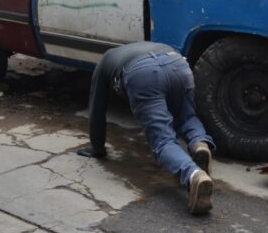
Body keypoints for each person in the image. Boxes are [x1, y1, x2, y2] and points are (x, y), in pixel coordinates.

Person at [78, 42, 216, 214]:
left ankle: (194, 175)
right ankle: (200, 144)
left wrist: (97, 148)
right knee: (186, 117)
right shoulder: (151, 45)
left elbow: (97, 107)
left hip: (143, 74)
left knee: (163, 141)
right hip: (177, 64)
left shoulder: (106, 60)